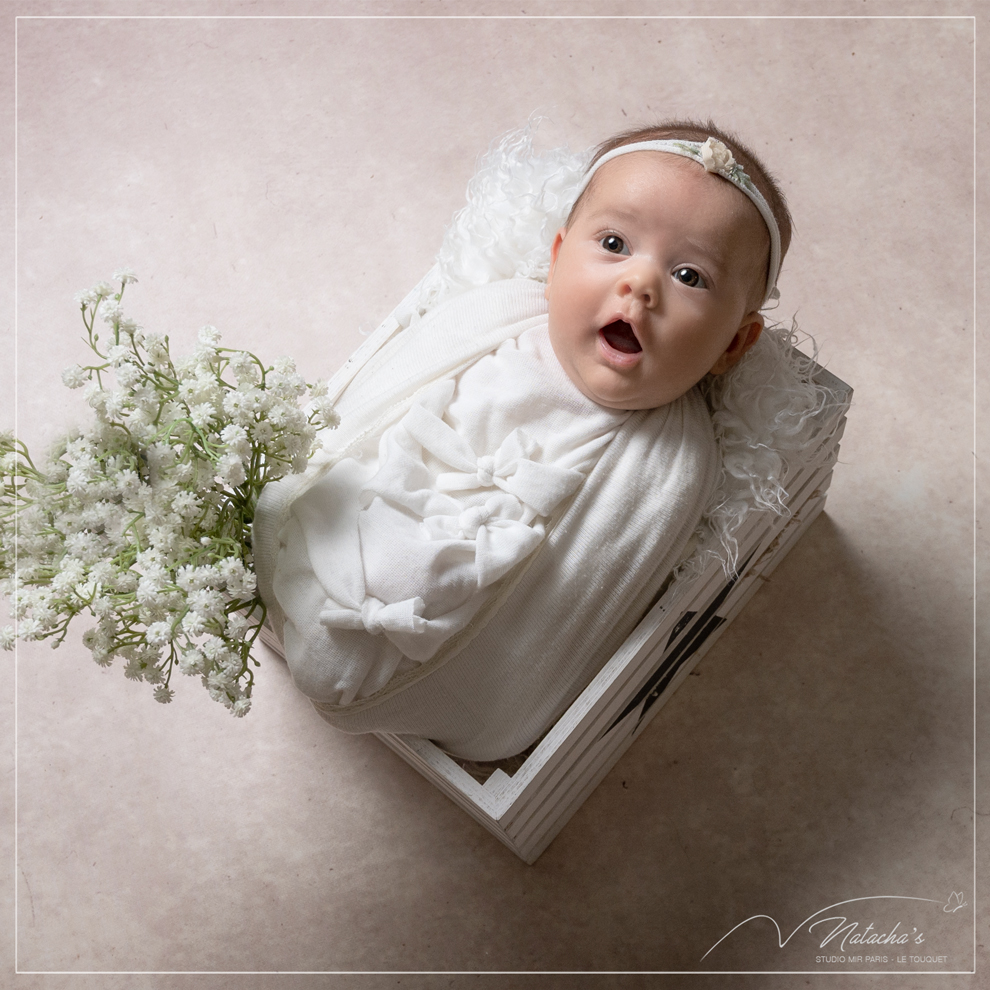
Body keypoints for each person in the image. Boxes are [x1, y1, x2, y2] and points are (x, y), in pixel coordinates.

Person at [254, 121, 793, 761]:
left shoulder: (675, 460)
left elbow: (585, 594)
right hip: (383, 511)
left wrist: (494, 683)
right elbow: (380, 400)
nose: (641, 285)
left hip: (455, 633)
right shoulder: (500, 315)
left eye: (690, 276)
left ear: (734, 343)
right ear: (560, 254)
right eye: (615, 243)